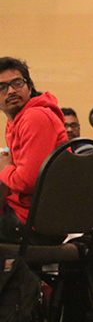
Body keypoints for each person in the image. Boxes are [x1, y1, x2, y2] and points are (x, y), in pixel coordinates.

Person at [0, 56, 67, 241]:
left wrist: (4, 168)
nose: (11, 91)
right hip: (27, 214)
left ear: (29, 87)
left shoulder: (35, 117)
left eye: (17, 83)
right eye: (2, 87)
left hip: (35, 221)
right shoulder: (15, 120)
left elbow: (28, 181)